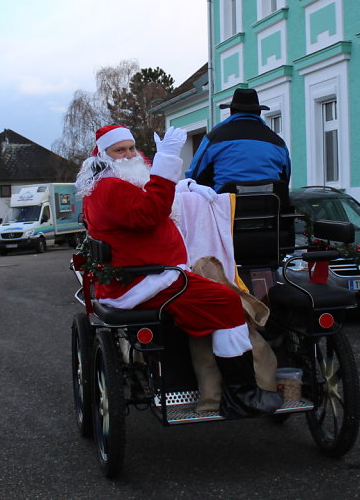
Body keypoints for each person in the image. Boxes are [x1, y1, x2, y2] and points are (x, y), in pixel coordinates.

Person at [75, 123, 281, 418]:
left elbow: (148, 202)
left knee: (217, 294)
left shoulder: (111, 183)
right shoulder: (110, 187)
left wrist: (176, 182)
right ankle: (241, 396)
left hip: (153, 274)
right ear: (103, 155)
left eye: (132, 148)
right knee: (226, 301)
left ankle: (229, 389)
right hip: (147, 281)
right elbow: (150, 212)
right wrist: (166, 162)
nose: (129, 154)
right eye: (120, 150)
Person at [186, 87, 292, 194]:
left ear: (231, 111)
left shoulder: (213, 138)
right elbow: (285, 179)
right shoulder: (278, 142)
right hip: (270, 206)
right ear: (259, 112)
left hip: (225, 207)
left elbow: (194, 178)